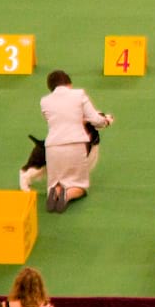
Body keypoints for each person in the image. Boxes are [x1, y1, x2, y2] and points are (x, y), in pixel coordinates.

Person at [40, 69, 113, 212]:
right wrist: (106, 121)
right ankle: (66, 195)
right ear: (69, 84)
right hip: (75, 144)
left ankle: (55, 192)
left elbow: (56, 119)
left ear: (51, 87)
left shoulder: (44, 101)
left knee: (56, 182)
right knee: (79, 186)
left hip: (52, 147)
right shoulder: (79, 94)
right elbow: (95, 120)